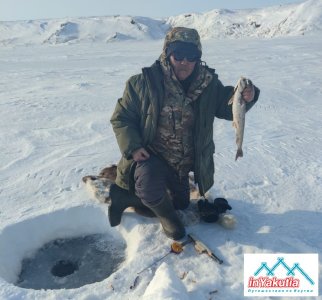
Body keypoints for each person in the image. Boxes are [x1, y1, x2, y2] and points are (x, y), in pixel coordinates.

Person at [109, 27, 260, 240]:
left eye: (192, 56)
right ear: (167, 53)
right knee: (150, 188)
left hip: (183, 163)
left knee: (182, 203)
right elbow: (122, 118)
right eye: (178, 54)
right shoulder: (142, 83)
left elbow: (228, 107)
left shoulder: (208, 84)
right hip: (151, 155)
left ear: (198, 57)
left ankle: (133, 197)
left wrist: (247, 95)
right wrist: (133, 146)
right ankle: (166, 216)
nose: (184, 61)